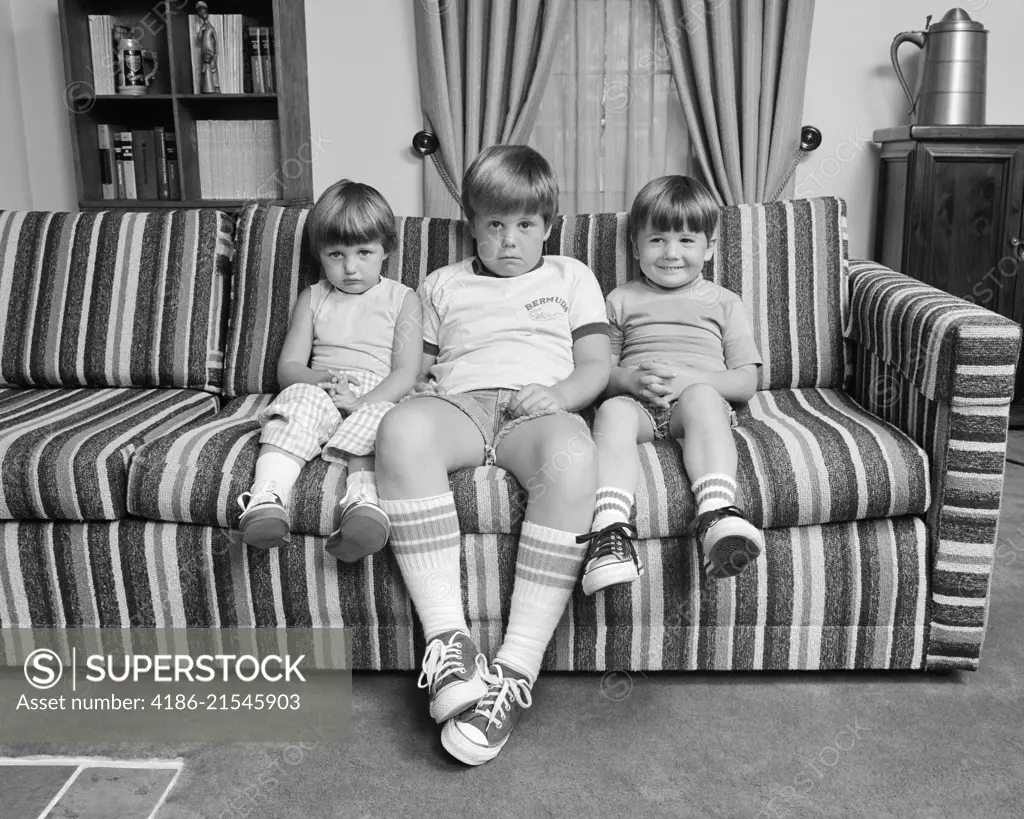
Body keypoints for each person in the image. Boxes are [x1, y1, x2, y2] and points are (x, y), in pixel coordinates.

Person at [373, 145, 610, 766]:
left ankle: (513, 670)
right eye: (494, 224)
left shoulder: (571, 277)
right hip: (461, 403)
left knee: (573, 453)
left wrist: (558, 395)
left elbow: (596, 364)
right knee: (398, 431)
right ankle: (450, 645)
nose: (509, 241)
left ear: (548, 227)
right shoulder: (440, 284)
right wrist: (376, 392)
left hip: (538, 412)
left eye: (525, 225)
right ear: (471, 225)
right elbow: (412, 369)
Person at [576, 175, 764, 596]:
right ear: (635, 246)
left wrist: (692, 379)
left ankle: (716, 513)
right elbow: (599, 371)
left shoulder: (724, 302)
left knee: (701, 397)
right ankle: (611, 530)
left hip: (694, 408)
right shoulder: (618, 299)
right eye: (657, 240)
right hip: (637, 404)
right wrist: (631, 380)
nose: (671, 253)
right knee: (611, 412)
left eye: (686, 240)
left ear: (709, 248)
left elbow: (746, 381)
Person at [236, 179, 421, 562]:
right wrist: (323, 383)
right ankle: (267, 498)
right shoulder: (313, 297)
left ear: (387, 249)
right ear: (319, 254)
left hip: (376, 389)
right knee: (294, 404)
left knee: (386, 420)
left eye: (364, 252)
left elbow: (406, 373)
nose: (350, 268)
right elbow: (288, 369)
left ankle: (362, 505)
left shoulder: (403, 299)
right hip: (321, 384)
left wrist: (361, 401)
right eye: (336, 254)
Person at [195, 1, 220, 94]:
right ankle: (207, 87)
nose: (202, 13)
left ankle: (216, 87)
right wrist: (200, 30)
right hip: (205, 53)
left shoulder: (211, 27)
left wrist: (217, 53)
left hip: (211, 52)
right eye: (200, 12)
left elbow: (216, 42)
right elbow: (199, 38)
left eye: (204, 11)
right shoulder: (203, 27)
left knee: (213, 69)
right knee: (206, 69)